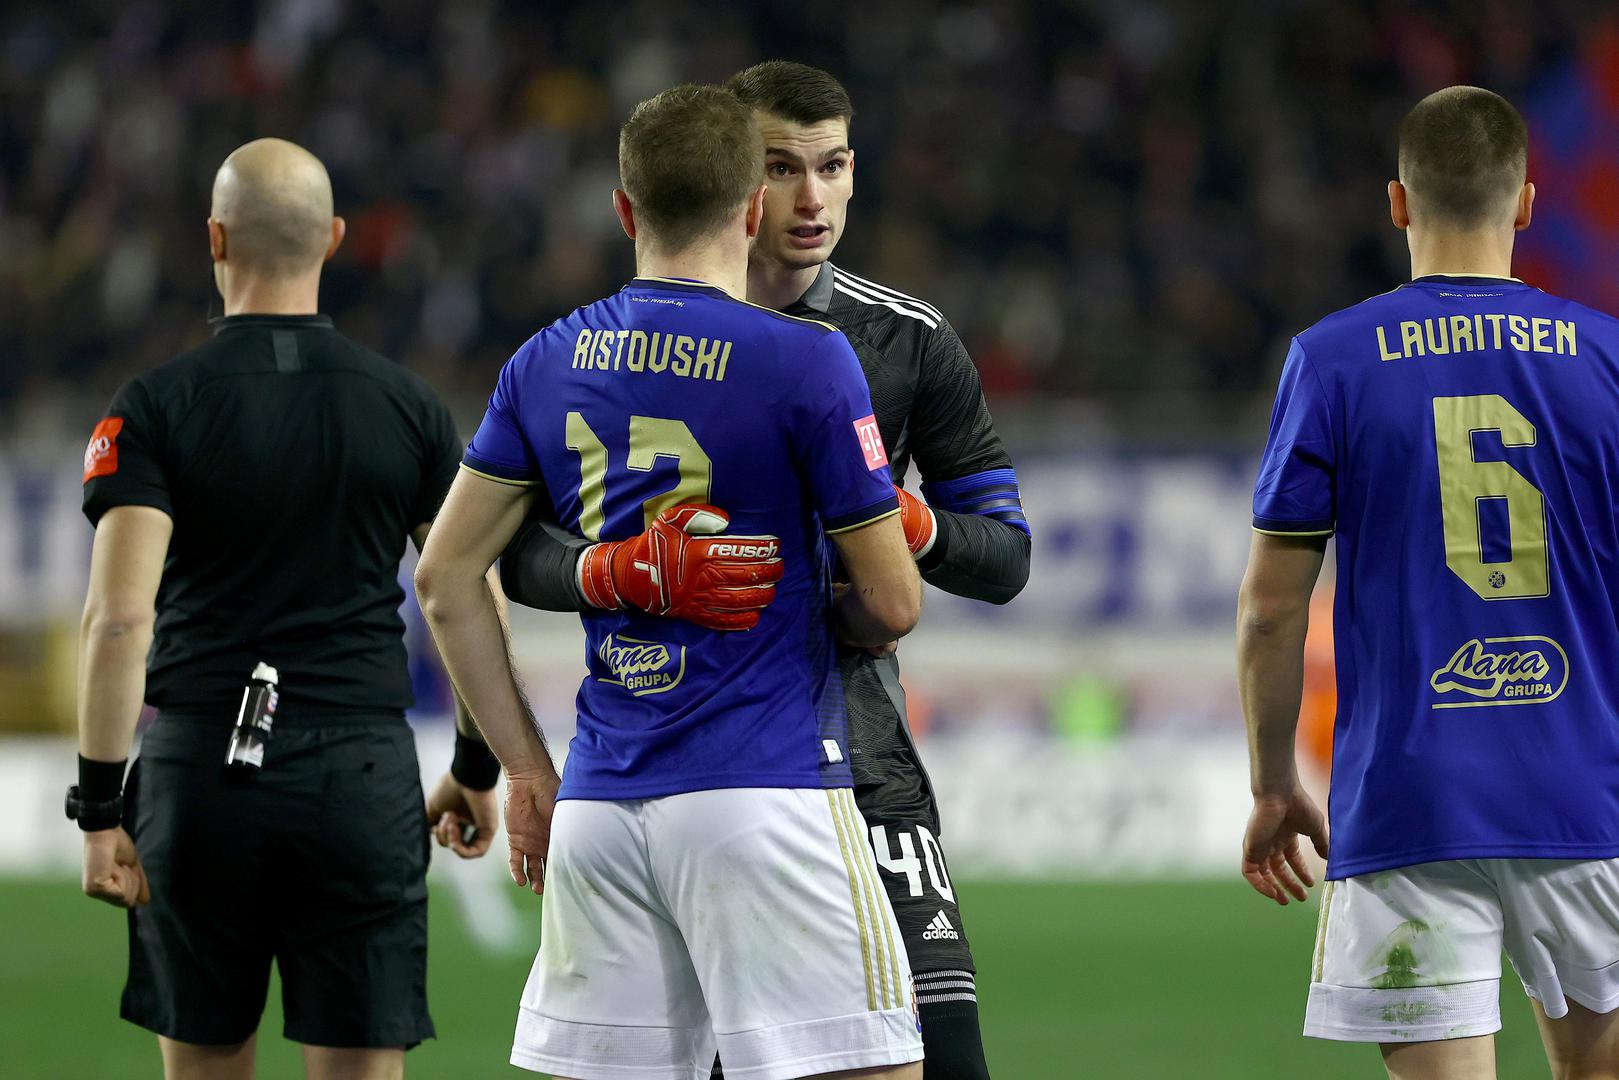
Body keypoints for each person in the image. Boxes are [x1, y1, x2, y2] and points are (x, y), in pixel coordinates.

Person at [499, 61, 1028, 1079]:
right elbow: (517, 550)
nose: (812, 197)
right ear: (738, 180)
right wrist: (623, 570)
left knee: (946, 1058)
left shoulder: (904, 340)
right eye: (782, 168)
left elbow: (1005, 555)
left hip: (862, 760)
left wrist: (907, 521)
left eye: (834, 166)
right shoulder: (623, 345)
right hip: (695, 763)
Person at [413, 83, 926, 1079]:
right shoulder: (807, 360)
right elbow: (893, 601)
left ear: (623, 209)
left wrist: (525, 771)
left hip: (602, 805)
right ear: (752, 208)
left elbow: (444, 578)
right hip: (766, 787)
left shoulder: (541, 362)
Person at [69, 137, 502, 1080]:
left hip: (201, 773)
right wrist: (477, 763)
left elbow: (118, 621)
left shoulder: (153, 407)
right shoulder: (410, 408)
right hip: (359, 770)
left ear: (214, 239)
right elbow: (464, 593)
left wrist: (98, 809)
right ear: (334, 238)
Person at [1238, 86, 1619, 1079]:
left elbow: (1272, 610)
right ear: (1525, 202)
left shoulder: (1330, 361)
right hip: (1585, 794)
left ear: (1397, 203)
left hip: (1407, 800)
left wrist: (1273, 785)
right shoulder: (1607, 359)